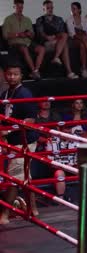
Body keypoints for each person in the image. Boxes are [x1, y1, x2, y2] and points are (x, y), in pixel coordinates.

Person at [0, 60, 38, 224]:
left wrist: (9, 130)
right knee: (24, 176)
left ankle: (5, 214)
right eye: (9, 74)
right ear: (4, 75)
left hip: (25, 140)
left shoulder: (25, 94)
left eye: (15, 74)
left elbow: (31, 121)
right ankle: (34, 209)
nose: (12, 77)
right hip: (13, 140)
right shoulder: (5, 94)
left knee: (14, 177)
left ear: (21, 76)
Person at [2, 0, 45, 80]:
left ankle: (35, 70)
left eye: (21, 7)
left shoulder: (27, 20)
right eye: (18, 7)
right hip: (15, 43)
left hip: (28, 42)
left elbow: (32, 36)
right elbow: (5, 35)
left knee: (42, 49)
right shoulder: (8, 19)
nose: (20, 9)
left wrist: (29, 34)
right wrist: (18, 34)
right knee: (24, 48)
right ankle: (35, 72)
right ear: (14, 7)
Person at [36, 0, 78, 79]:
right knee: (64, 43)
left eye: (51, 7)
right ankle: (69, 72)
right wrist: (48, 37)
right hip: (47, 43)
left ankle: (57, 58)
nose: (50, 9)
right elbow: (40, 33)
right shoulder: (40, 20)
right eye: (48, 8)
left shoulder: (59, 19)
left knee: (64, 40)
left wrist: (55, 37)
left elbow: (62, 32)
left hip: (58, 41)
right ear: (43, 9)